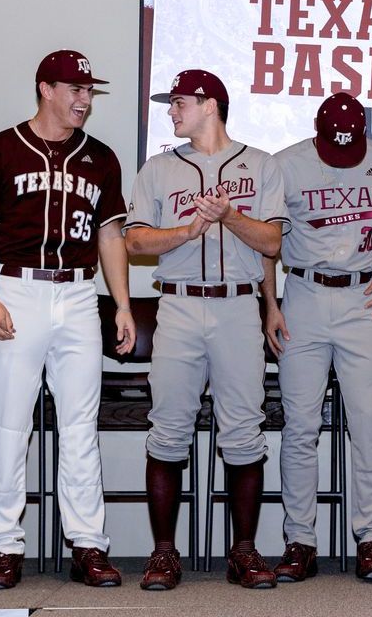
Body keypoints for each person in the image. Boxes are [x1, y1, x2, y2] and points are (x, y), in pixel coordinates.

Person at [0, 49, 132, 589]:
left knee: (80, 427)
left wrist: (123, 303)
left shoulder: (100, 157)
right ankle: (4, 546)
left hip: (80, 295)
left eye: (89, 91)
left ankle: (88, 545)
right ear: (46, 89)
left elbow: (110, 235)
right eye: (74, 89)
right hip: (17, 288)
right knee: (10, 425)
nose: (84, 99)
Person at [125, 69, 287, 590]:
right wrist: (189, 229)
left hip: (238, 308)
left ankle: (243, 552)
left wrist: (229, 218)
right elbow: (135, 243)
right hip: (178, 305)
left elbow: (272, 243)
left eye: (179, 103)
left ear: (210, 105)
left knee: (243, 431)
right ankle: (164, 553)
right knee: (168, 428)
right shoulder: (157, 168)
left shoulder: (260, 164)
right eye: (170, 103)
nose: (171, 111)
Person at [261, 92, 372, 582]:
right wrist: (270, 304)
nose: (344, 154)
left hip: (362, 298)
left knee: (367, 422)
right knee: (300, 425)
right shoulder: (287, 165)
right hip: (303, 292)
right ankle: (300, 540)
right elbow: (267, 242)